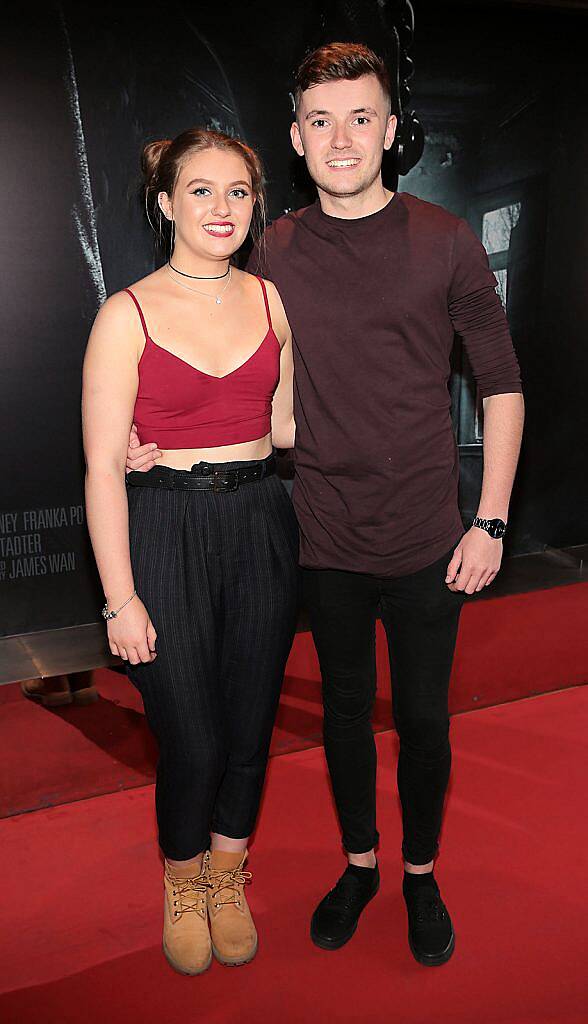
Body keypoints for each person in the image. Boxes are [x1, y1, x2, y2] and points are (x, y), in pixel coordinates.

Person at [127, 43, 525, 967]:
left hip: (434, 536)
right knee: (343, 716)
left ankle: (421, 873)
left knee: (423, 721)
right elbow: (213, 362)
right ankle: (361, 864)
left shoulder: (448, 242)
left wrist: (492, 518)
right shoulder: (268, 253)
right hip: (318, 536)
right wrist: (155, 445)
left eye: (359, 118)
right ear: (297, 138)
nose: (340, 138)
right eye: (319, 121)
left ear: (391, 131)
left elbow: (501, 383)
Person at [83, 128, 300, 975]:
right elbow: (102, 467)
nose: (221, 208)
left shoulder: (274, 302)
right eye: (200, 191)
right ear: (166, 203)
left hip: (262, 523)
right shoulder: (125, 312)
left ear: (255, 204)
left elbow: (286, 428)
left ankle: (225, 874)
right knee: (194, 740)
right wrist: (119, 598)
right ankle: (182, 881)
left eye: (238, 191)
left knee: (249, 730)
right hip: (165, 526)